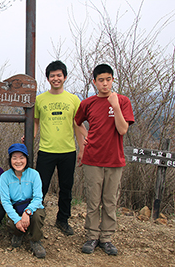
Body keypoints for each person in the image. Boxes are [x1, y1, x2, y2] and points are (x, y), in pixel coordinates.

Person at [75, 64, 134, 255]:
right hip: (93, 159)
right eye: (101, 80)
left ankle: (106, 239)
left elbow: (123, 129)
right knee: (93, 201)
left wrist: (115, 106)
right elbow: (77, 123)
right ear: (94, 82)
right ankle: (91, 237)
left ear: (113, 80)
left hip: (115, 159)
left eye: (108, 79)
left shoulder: (123, 101)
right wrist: (85, 141)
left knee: (110, 201)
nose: (105, 83)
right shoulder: (88, 103)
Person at [32, 60, 86, 236]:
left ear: (65, 77)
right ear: (47, 78)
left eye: (59, 75)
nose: (56, 78)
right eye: (52, 75)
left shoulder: (73, 99)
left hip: (68, 151)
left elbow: (78, 126)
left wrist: (82, 149)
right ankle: (36, 219)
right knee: (40, 188)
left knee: (66, 188)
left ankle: (62, 220)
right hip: (46, 150)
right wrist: (28, 139)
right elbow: (35, 123)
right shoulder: (40, 99)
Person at [0, 143, 46, 259]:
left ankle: (35, 241)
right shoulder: (4, 177)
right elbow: (5, 201)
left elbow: (38, 198)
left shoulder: (34, 174)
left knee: (36, 217)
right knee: (12, 223)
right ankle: (18, 234)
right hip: (16, 207)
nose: (18, 161)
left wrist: (28, 212)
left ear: (27, 159)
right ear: (10, 160)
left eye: (22, 157)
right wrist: (17, 220)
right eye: (14, 158)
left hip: (32, 206)